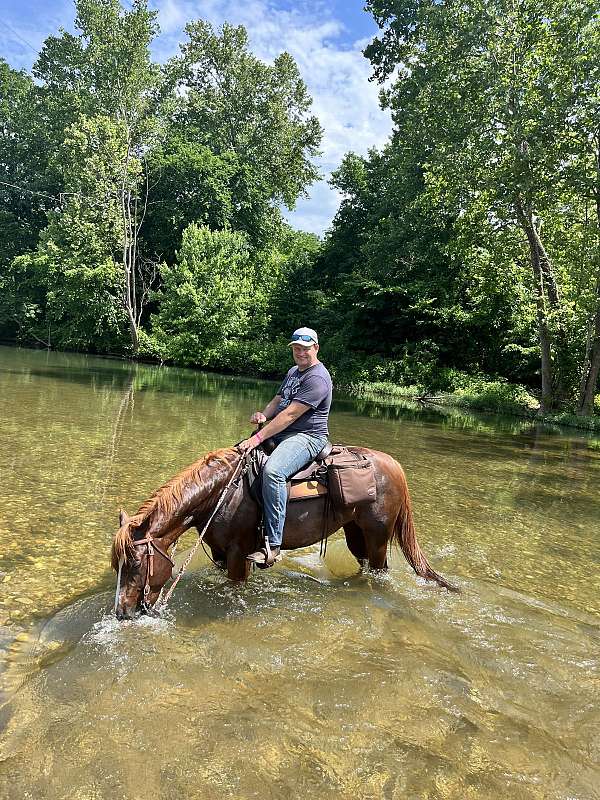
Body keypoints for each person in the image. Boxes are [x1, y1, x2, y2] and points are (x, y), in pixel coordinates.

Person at [237, 327, 333, 566]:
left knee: (274, 472)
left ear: (316, 348)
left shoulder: (318, 378)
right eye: (296, 348)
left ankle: (273, 544)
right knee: (238, 459)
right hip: (284, 433)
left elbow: (290, 415)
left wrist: (257, 439)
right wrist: (263, 415)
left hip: (308, 436)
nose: (300, 352)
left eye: (305, 348)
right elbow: (280, 400)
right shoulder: (293, 372)